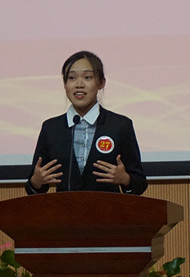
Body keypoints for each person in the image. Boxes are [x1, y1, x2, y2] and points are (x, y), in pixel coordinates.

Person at [26, 51, 147, 195]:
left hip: (108, 208)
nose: (79, 84)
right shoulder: (51, 128)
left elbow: (140, 183)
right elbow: (33, 186)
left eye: (87, 77)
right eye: (71, 78)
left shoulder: (120, 126)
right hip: (64, 208)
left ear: (101, 82)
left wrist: (125, 179)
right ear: (64, 84)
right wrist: (36, 182)